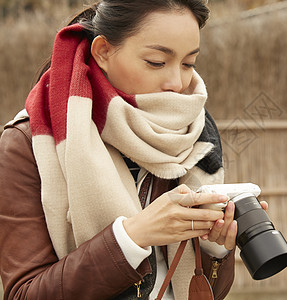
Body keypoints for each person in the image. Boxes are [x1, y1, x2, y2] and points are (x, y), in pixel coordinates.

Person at [0, 0, 268, 299]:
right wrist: (131, 237)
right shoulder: (26, 143)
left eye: (189, 63)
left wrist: (212, 246)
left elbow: (206, 292)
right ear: (103, 51)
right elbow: (24, 294)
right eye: (156, 61)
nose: (177, 82)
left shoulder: (189, 134)